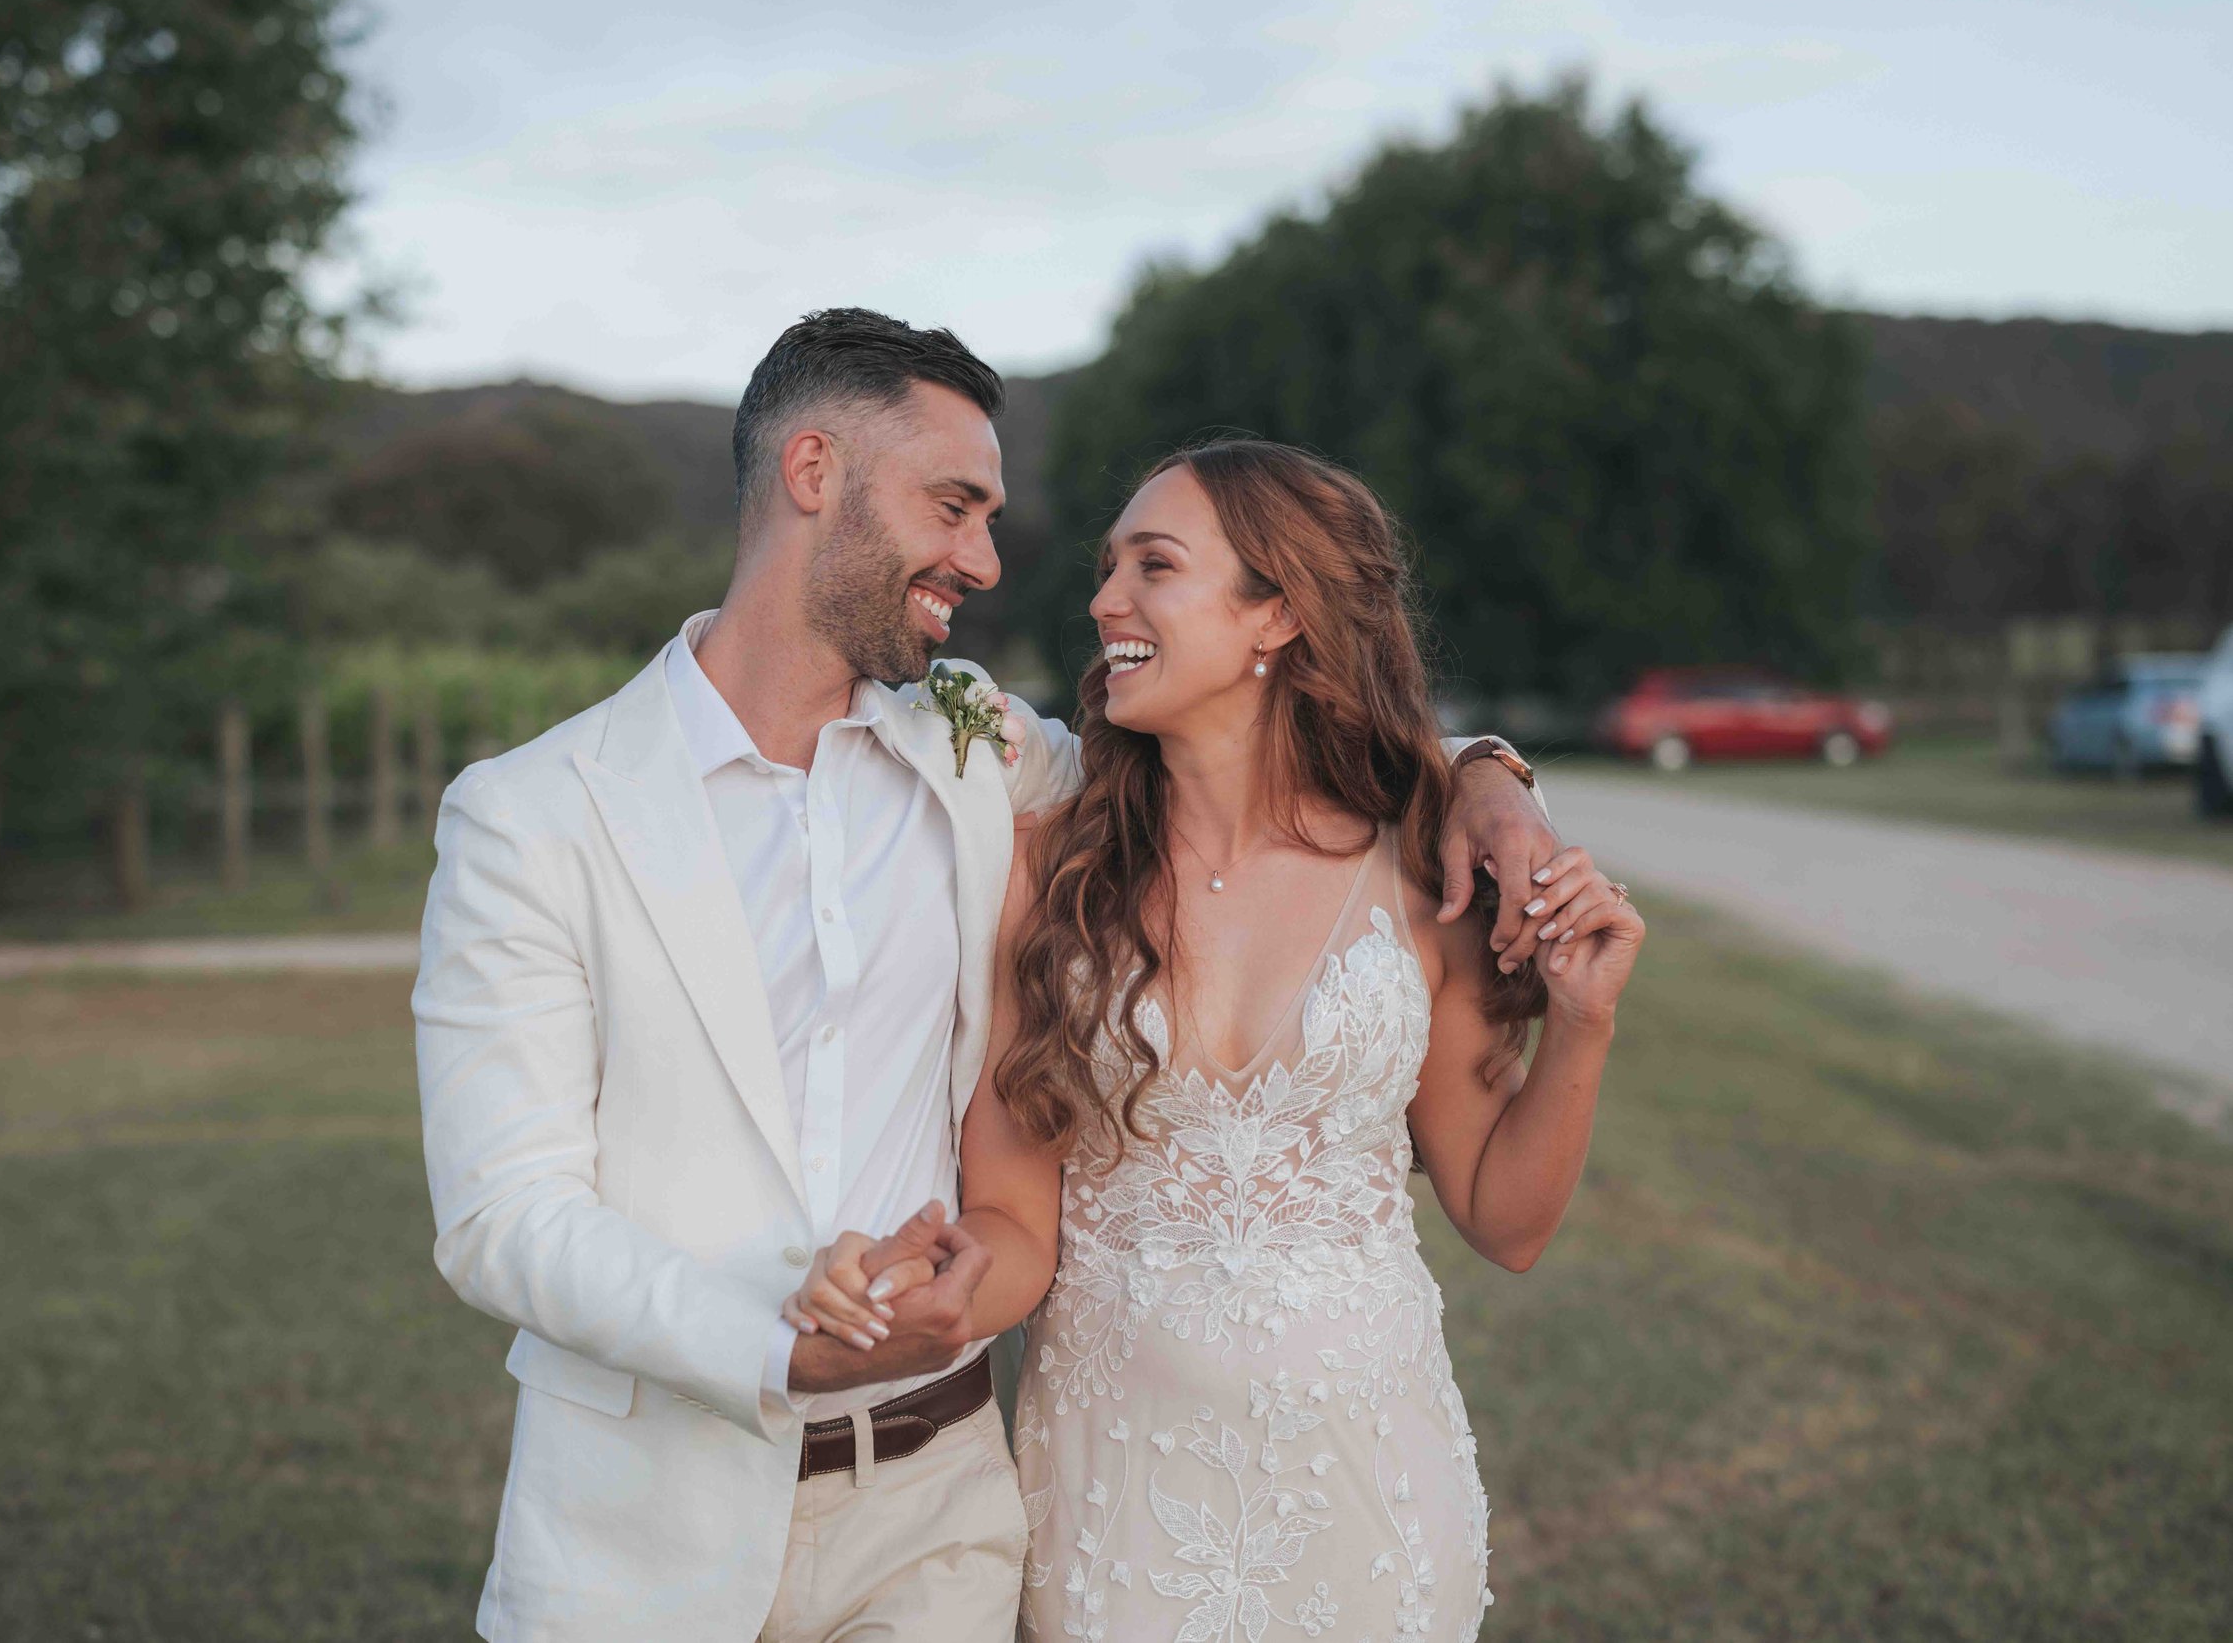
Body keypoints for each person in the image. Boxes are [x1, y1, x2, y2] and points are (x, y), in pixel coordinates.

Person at [413, 311, 1572, 1642]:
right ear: (812, 474)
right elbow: (502, 1217)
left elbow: (1252, 758)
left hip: (937, 1521)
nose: (983, 559)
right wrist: (777, 1351)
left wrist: (1484, 775)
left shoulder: (974, 756)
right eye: (954, 507)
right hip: (643, 1532)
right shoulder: (532, 815)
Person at [786, 440, 1644, 1641]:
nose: (1102, 600)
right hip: (1115, 1498)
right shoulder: (1050, 865)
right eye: (1106, 566)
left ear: (1276, 614)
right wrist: (942, 1283)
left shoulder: (1420, 873)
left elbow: (1506, 1219)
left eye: (1154, 565)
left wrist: (1583, 1024)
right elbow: (1017, 1221)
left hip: (1371, 1493)